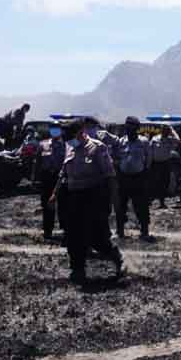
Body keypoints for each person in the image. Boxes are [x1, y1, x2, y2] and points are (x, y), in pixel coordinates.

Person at [50, 119, 124, 284]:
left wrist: (115, 199)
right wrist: (54, 193)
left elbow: (110, 175)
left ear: (80, 132)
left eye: (69, 135)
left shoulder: (97, 148)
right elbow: (63, 173)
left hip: (94, 197)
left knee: (98, 238)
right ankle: (78, 270)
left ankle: (117, 258)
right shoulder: (69, 147)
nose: (66, 139)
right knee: (73, 235)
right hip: (73, 197)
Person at [113, 116, 153, 240]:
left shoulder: (144, 141)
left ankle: (144, 231)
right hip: (123, 178)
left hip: (139, 178)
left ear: (137, 128)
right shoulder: (121, 141)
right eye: (127, 126)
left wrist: (145, 173)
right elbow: (116, 158)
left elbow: (149, 158)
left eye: (132, 126)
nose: (129, 128)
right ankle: (120, 231)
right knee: (120, 205)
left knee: (141, 205)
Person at [36, 121, 67, 240]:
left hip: (61, 177)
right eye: (53, 128)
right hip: (46, 178)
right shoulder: (43, 144)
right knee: (47, 204)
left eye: (57, 128)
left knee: (63, 205)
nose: (55, 131)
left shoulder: (67, 145)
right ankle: (47, 230)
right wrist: (35, 178)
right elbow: (37, 162)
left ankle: (65, 230)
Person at [149, 124, 181, 209]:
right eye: (164, 130)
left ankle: (162, 202)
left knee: (165, 182)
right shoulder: (155, 139)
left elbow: (178, 141)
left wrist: (172, 131)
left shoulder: (170, 140)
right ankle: (151, 201)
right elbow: (149, 151)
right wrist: (148, 163)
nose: (165, 132)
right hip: (155, 164)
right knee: (155, 182)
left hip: (165, 163)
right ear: (161, 131)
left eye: (167, 131)